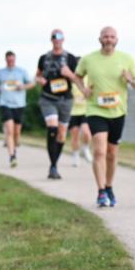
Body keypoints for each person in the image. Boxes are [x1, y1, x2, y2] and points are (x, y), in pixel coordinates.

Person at [73, 26, 135, 208]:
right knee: (100, 151)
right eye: (105, 36)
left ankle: (109, 186)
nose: (108, 39)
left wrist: (129, 79)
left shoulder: (126, 59)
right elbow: (77, 76)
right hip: (96, 109)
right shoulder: (89, 59)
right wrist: (83, 89)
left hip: (118, 111)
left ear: (117, 39)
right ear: (100, 39)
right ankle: (101, 191)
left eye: (112, 36)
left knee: (112, 154)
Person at [35, 29, 81, 180]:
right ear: (51, 39)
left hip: (66, 99)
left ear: (63, 39)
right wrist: (40, 80)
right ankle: (53, 165)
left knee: (62, 134)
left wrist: (69, 74)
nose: (57, 39)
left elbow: (78, 80)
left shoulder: (71, 58)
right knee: (52, 128)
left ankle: (54, 164)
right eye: (54, 37)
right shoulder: (43, 58)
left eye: (59, 36)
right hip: (48, 98)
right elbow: (38, 75)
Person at [0, 51, 34, 167]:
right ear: (6, 60)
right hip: (5, 104)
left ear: (15, 60)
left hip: (19, 104)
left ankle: (14, 149)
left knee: (17, 132)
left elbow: (31, 84)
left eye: (12, 60)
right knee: (10, 131)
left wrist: (23, 86)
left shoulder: (21, 72)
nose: (10, 62)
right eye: (8, 60)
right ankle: (12, 156)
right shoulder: (0, 73)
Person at [67, 74, 93, 167]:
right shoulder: (71, 79)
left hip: (85, 111)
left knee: (87, 133)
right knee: (75, 136)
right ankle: (75, 156)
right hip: (72, 112)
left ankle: (85, 148)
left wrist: (87, 94)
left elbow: (92, 90)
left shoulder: (88, 79)